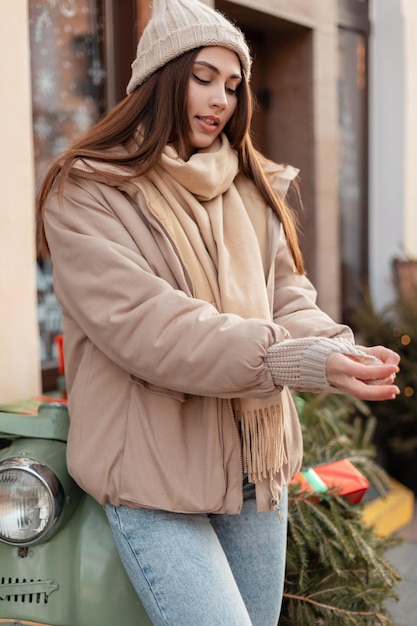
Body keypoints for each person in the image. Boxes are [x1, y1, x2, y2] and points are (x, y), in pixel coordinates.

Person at [36, 0, 400, 624]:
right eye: (203, 77)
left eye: (233, 85)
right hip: (152, 473)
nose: (221, 100)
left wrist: (336, 348)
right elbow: (151, 328)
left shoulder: (251, 186)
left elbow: (290, 298)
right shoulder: (89, 192)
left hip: (256, 470)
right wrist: (291, 358)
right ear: (160, 79)